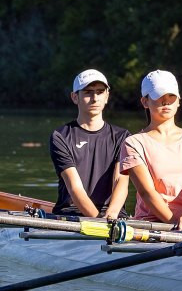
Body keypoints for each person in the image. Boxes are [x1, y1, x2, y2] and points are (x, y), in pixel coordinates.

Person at [120, 69, 182, 229]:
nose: (166, 102)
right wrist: (176, 223)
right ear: (145, 102)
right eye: (159, 96)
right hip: (151, 225)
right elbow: (147, 193)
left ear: (179, 101)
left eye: (171, 96)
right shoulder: (133, 143)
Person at [49, 68, 130, 219]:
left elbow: (121, 181)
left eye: (100, 92)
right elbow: (75, 188)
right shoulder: (60, 136)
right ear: (74, 97)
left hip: (113, 217)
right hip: (73, 215)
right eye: (88, 92)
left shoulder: (122, 136)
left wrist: (111, 216)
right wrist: (99, 222)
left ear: (107, 96)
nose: (95, 98)